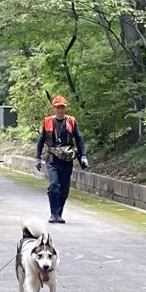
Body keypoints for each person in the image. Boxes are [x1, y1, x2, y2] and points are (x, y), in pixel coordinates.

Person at [35, 95, 89, 223]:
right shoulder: (48, 121)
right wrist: (37, 158)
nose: (60, 110)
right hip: (53, 159)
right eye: (58, 107)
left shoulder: (71, 121)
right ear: (54, 108)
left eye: (62, 107)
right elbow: (41, 140)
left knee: (64, 187)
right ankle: (53, 213)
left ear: (65, 108)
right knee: (54, 184)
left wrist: (84, 156)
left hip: (67, 160)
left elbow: (79, 139)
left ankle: (59, 213)